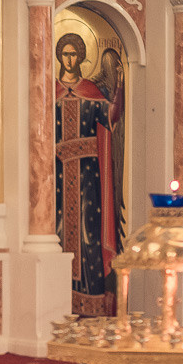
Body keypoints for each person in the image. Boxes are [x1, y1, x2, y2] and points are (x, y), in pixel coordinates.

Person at [54, 32, 124, 317]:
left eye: (74, 54)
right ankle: (60, 299)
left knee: (88, 232)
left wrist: (119, 85)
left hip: (88, 175)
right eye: (65, 54)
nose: (69, 59)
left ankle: (92, 300)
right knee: (58, 231)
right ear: (59, 56)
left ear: (81, 57)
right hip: (57, 175)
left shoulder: (91, 92)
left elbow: (111, 117)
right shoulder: (51, 92)